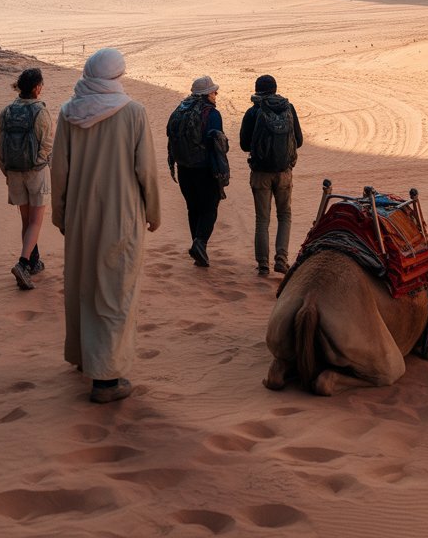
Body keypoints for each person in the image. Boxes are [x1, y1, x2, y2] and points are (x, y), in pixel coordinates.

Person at [51, 48, 161, 404]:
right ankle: (106, 380)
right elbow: (145, 169)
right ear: (116, 76)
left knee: (84, 287)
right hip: (121, 216)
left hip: (82, 217)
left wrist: (61, 215)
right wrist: (154, 212)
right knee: (115, 293)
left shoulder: (70, 113)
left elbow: (59, 172)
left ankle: (85, 358)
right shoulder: (133, 113)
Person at [239, 74, 303, 277]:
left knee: (262, 219)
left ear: (257, 90)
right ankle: (282, 259)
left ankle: (263, 264)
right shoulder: (288, 108)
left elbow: (243, 145)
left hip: (260, 174)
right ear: (275, 89)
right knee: (284, 215)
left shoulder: (252, 112)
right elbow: (299, 140)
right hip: (284, 172)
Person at [0, 68, 54, 291]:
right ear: (37, 87)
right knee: (36, 222)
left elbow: (1, 144)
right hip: (35, 171)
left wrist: (6, 170)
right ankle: (22, 264)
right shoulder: (41, 112)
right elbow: (47, 143)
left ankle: (33, 261)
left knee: (26, 221)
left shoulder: (7, 111)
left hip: (13, 171)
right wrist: (39, 162)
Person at [166, 76, 230, 269]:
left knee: (193, 208)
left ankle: (198, 248)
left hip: (184, 168)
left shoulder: (180, 110)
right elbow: (217, 144)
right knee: (210, 208)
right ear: (206, 94)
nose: (216, 94)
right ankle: (200, 243)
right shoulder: (211, 113)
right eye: (213, 91)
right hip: (205, 169)